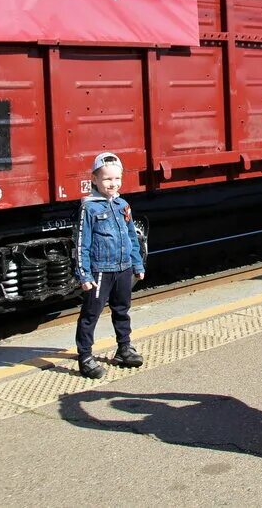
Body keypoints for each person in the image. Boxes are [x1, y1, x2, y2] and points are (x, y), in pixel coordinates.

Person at [75, 152, 146, 379]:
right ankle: (85, 356)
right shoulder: (89, 208)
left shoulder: (123, 204)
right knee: (90, 314)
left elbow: (131, 237)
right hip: (100, 270)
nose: (112, 184)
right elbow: (81, 243)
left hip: (123, 268)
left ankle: (124, 348)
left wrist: (137, 264)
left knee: (122, 310)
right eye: (107, 179)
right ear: (94, 179)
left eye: (117, 179)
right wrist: (84, 274)